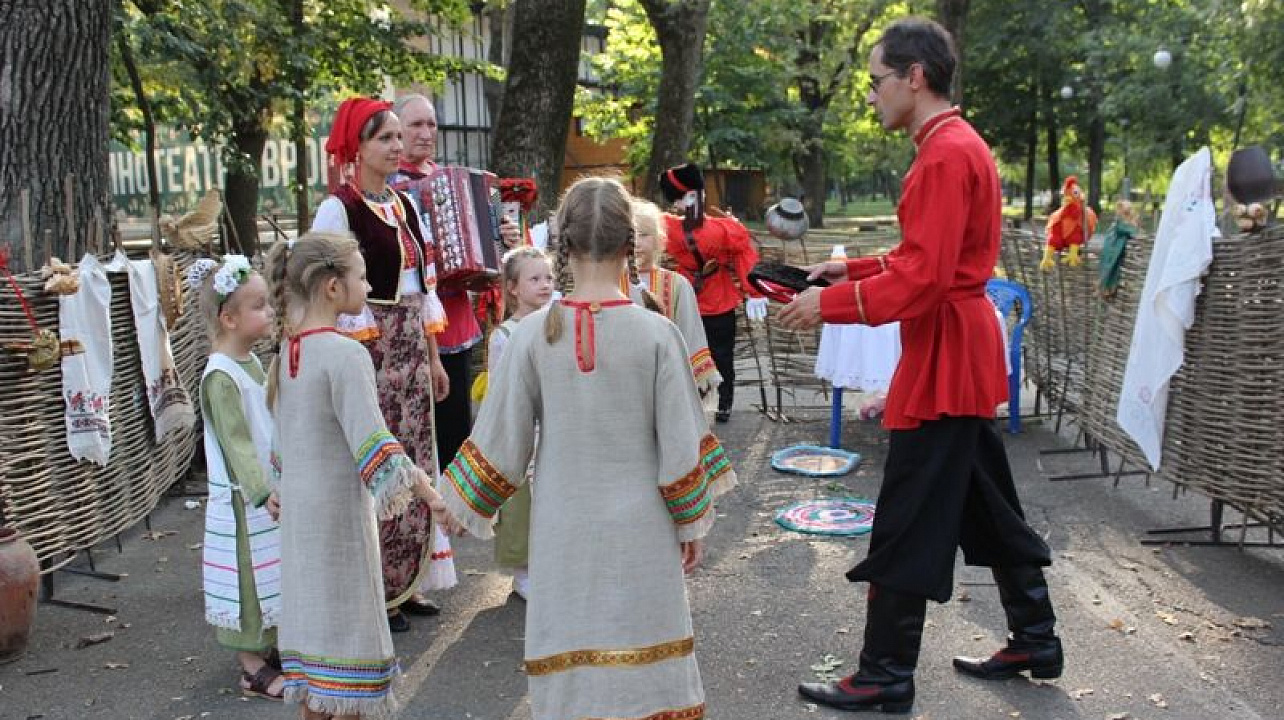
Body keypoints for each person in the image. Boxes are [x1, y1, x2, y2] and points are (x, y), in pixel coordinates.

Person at [778, 17, 1062, 714]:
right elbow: (925, 259)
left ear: (915, 76)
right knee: (987, 504)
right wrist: (849, 270)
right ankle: (1035, 637)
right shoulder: (952, 144)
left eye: (876, 80)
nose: (871, 95)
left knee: (907, 518)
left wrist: (831, 305)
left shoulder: (942, 154)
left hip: (945, 352)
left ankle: (885, 673)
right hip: (955, 344)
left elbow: (926, 278)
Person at [437, 177, 736, 720]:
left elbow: (501, 441)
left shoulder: (531, 335)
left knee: (571, 668)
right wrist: (691, 523)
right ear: (630, 244)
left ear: (564, 244)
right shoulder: (657, 334)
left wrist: (455, 505)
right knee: (647, 668)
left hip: (562, 534)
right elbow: (681, 448)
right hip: (644, 533)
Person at [265, 231, 453, 720]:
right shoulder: (345, 355)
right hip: (339, 527)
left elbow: (283, 446)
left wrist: (278, 489)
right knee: (349, 666)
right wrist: (431, 494)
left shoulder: (288, 352)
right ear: (333, 287)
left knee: (316, 668)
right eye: (363, 277)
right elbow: (374, 446)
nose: (369, 287)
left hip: (300, 525)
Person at [311, 96, 454, 632]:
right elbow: (322, 292)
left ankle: (408, 579)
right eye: (385, 138)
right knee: (376, 461)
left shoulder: (404, 205)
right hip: (368, 352)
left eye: (399, 136)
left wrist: (434, 359)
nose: (397, 147)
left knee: (415, 458)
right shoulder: (339, 210)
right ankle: (377, 588)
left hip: (411, 352)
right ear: (358, 146)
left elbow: (421, 290)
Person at [189, 255, 284, 701]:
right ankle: (250, 664)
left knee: (271, 570)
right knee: (246, 579)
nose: (270, 312)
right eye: (259, 306)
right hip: (243, 500)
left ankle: (271, 646)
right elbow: (236, 441)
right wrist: (260, 490)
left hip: (265, 492)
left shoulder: (250, 362)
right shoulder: (220, 376)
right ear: (228, 318)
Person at [658, 163, 767, 423]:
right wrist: (753, 291)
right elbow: (744, 253)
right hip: (705, 299)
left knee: (703, 355)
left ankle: (709, 403)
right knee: (708, 355)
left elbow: (744, 254)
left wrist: (754, 291)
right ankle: (713, 403)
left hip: (698, 298)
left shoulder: (671, 227)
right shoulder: (722, 229)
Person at [486, 246, 555, 600]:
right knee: (520, 503)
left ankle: (552, 564)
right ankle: (523, 571)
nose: (545, 285)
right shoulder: (504, 335)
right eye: (535, 279)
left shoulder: (557, 326)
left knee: (552, 498)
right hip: (522, 428)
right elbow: (498, 390)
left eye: (548, 277)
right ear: (512, 288)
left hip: (554, 427)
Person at [626, 199, 720, 394]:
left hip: (667, 380)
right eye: (630, 235)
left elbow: (690, 331)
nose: (636, 243)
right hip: (622, 382)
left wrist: (700, 379)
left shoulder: (677, 285)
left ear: (659, 240)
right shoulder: (608, 283)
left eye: (644, 235)